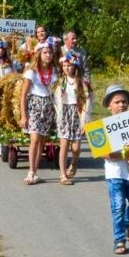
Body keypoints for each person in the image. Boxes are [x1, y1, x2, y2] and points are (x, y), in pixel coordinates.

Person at [100, 85, 129, 255]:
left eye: (124, 101)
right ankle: (119, 240)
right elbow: (105, 153)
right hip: (115, 174)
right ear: (109, 106)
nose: (121, 105)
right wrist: (128, 152)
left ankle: (124, 223)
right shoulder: (102, 127)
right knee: (118, 206)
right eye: (117, 102)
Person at [21, 42, 58, 186]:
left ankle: (35, 171)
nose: (48, 55)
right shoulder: (32, 72)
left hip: (48, 107)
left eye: (50, 52)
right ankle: (30, 171)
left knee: (42, 140)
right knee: (35, 138)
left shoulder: (55, 71)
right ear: (39, 54)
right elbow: (23, 95)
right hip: (35, 106)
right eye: (45, 53)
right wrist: (24, 115)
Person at [54, 51, 90, 185]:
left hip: (77, 112)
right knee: (63, 145)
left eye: (69, 65)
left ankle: (74, 163)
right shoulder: (60, 81)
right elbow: (57, 99)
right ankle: (63, 175)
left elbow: (86, 101)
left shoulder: (82, 82)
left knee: (76, 147)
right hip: (64, 113)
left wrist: (84, 120)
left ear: (75, 66)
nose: (66, 68)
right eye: (64, 66)